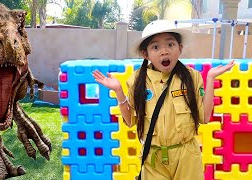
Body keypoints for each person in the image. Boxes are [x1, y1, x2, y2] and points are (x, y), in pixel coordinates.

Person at [92, 20, 234, 180]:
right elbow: (131, 120)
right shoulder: (137, 81)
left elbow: (205, 117)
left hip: (186, 156)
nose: (164, 51)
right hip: (153, 157)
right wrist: (118, 91)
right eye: (156, 47)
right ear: (146, 54)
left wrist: (210, 78)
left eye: (170, 45)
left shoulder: (192, 77)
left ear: (180, 48)